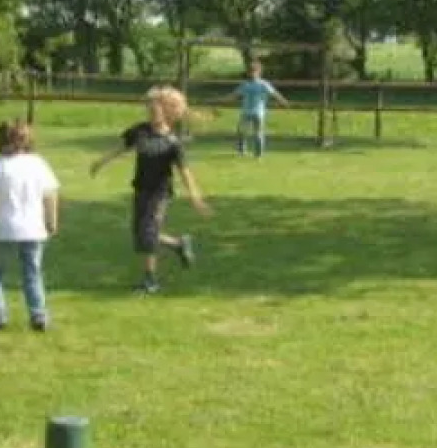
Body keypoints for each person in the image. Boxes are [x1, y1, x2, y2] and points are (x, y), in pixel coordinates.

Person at [91, 86, 210, 293]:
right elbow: (120, 148)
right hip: (141, 190)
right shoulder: (140, 131)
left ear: (167, 112)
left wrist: (195, 196)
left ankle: (150, 280)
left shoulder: (173, 143)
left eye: (155, 109)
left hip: (160, 193)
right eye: (149, 109)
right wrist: (101, 162)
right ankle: (178, 244)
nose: (151, 113)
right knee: (140, 234)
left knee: (148, 233)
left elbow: (185, 172)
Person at [0, 120, 60, 332]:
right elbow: (50, 194)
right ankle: (38, 315)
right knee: (32, 272)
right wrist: (51, 221)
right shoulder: (38, 163)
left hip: (5, 228)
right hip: (34, 228)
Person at [229, 59, 290, 158]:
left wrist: (283, 101)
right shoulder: (254, 84)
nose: (252, 74)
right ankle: (248, 152)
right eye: (251, 71)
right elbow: (234, 95)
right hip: (251, 112)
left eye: (254, 71)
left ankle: (253, 153)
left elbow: (274, 94)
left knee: (252, 132)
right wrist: (283, 101)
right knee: (245, 132)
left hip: (253, 112)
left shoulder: (256, 84)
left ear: (258, 72)